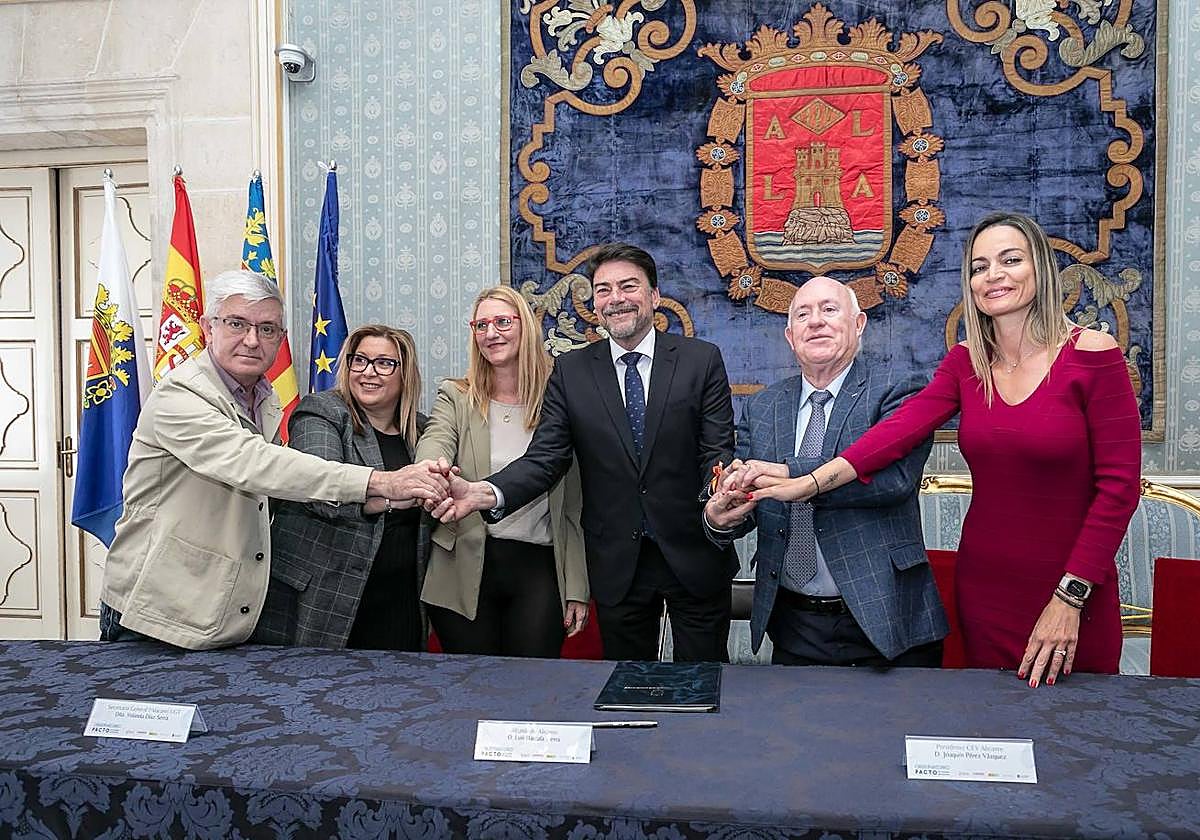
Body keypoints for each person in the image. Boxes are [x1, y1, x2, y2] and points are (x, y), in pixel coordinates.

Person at [742, 212, 1141, 686]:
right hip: (986, 587)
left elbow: (1118, 490)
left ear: (1040, 268)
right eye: (979, 266)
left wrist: (1070, 597)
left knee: (1078, 737)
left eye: (1010, 260)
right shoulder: (964, 363)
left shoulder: (1094, 354)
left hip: (1073, 590)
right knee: (990, 734)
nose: (993, 275)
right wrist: (806, 482)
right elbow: (893, 436)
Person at [99, 270, 448, 650]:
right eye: (237, 323)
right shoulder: (181, 396)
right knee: (151, 711)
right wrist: (383, 483)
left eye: (267, 329)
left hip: (223, 607)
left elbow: (275, 494)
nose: (252, 340)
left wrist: (391, 498)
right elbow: (255, 464)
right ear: (207, 327)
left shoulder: (263, 398)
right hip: (158, 608)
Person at [434, 243, 738, 662]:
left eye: (628, 286)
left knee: (705, 685)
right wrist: (485, 493)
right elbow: (547, 458)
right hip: (617, 565)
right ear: (594, 303)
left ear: (653, 296)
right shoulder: (572, 371)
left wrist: (720, 496)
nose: (615, 299)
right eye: (603, 290)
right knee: (627, 693)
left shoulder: (700, 360)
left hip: (694, 552)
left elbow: (716, 450)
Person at [704, 276, 947, 667]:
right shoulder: (763, 406)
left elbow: (893, 481)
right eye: (803, 314)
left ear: (859, 323)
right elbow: (749, 497)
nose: (815, 321)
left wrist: (790, 474)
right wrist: (719, 517)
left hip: (885, 615)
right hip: (793, 623)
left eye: (829, 310)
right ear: (789, 335)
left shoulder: (899, 389)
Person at [414, 286, 589, 657]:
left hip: (539, 566)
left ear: (525, 326)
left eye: (502, 322)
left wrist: (576, 587)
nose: (491, 333)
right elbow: (435, 439)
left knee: (531, 687)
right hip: (462, 564)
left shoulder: (563, 398)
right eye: (481, 325)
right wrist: (433, 468)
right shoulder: (456, 395)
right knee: (471, 687)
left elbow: (573, 506)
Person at [252, 325, 431, 651]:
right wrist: (389, 498)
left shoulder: (422, 430)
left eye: (384, 363)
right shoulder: (321, 412)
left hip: (399, 600)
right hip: (324, 597)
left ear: (406, 373)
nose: (368, 372)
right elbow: (320, 488)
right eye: (358, 360)